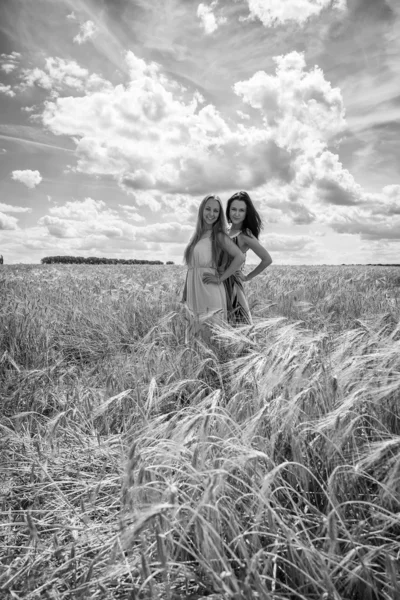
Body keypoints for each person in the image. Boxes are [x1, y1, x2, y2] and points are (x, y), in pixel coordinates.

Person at [182, 194, 245, 341]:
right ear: (201, 210)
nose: (211, 214)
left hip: (209, 289)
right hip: (193, 291)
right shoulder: (196, 236)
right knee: (195, 336)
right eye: (208, 209)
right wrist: (185, 292)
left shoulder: (219, 235)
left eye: (216, 211)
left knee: (210, 334)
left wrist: (221, 278)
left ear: (219, 214)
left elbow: (239, 257)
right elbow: (191, 268)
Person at [225, 191, 272, 325]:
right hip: (217, 284)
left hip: (233, 289)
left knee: (238, 330)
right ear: (228, 210)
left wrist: (247, 277)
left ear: (246, 213)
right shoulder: (223, 231)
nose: (237, 214)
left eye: (241, 210)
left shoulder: (245, 235)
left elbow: (267, 259)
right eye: (233, 209)